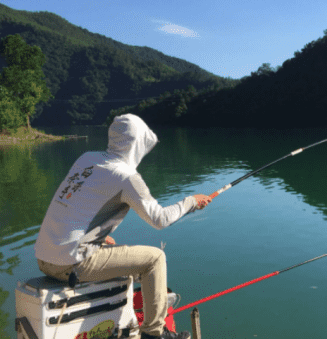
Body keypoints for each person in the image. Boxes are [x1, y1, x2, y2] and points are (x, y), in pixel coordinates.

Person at [34, 114, 211, 339]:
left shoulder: (87, 159)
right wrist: (191, 202)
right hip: (70, 262)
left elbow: (77, 207)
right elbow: (159, 219)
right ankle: (154, 332)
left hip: (44, 257)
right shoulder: (126, 177)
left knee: (125, 255)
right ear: (137, 144)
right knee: (155, 258)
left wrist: (96, 236)